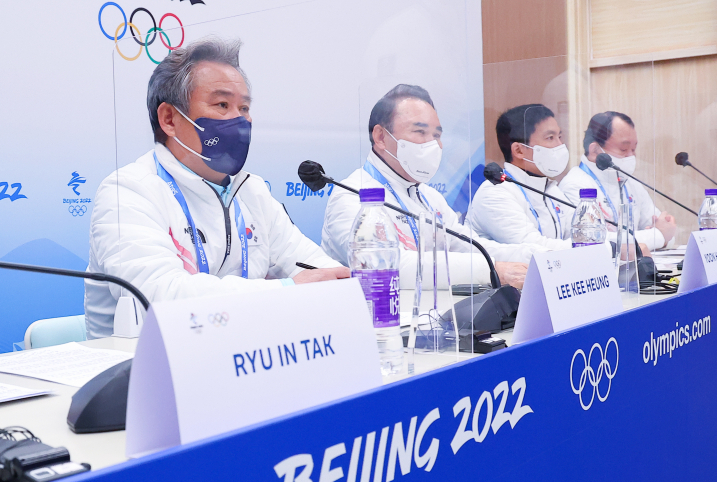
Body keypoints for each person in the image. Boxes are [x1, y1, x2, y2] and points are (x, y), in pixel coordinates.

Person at [84, 37, 347, 338]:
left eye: (244, 108)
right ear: (169, 119)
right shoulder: (128, 191)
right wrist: (286, 290)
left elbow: (319, 272)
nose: (239, 120)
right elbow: (157, 300)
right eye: (222, 105)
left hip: (241, 359)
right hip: (139, 374)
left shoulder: (252, 191)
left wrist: (331, 284)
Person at [322, 85, 568, 291]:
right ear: (380, 137)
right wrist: (490, 270)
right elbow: (387, 266)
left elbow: (470, 246)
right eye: (420, 132)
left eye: (437, 135)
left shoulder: (429, 196)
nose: (434, 144)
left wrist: (534, 256)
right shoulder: (352, 195)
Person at [559, 111, 677, 251]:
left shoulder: (630, 182)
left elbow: (667, 232)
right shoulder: (575, 185)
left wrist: (660, 236)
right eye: (624, 149)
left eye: (633, 149)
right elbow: (594, 242)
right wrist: (656, 237)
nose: (631, 156)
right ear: (595, 150)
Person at [467, 104, 574, 245]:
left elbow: (581, 232)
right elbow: (534, 248)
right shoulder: (494, 193)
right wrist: (593, 246)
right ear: (518, 150)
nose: (560, 145)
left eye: (560, 137)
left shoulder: (551, 190)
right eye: (550, 138)